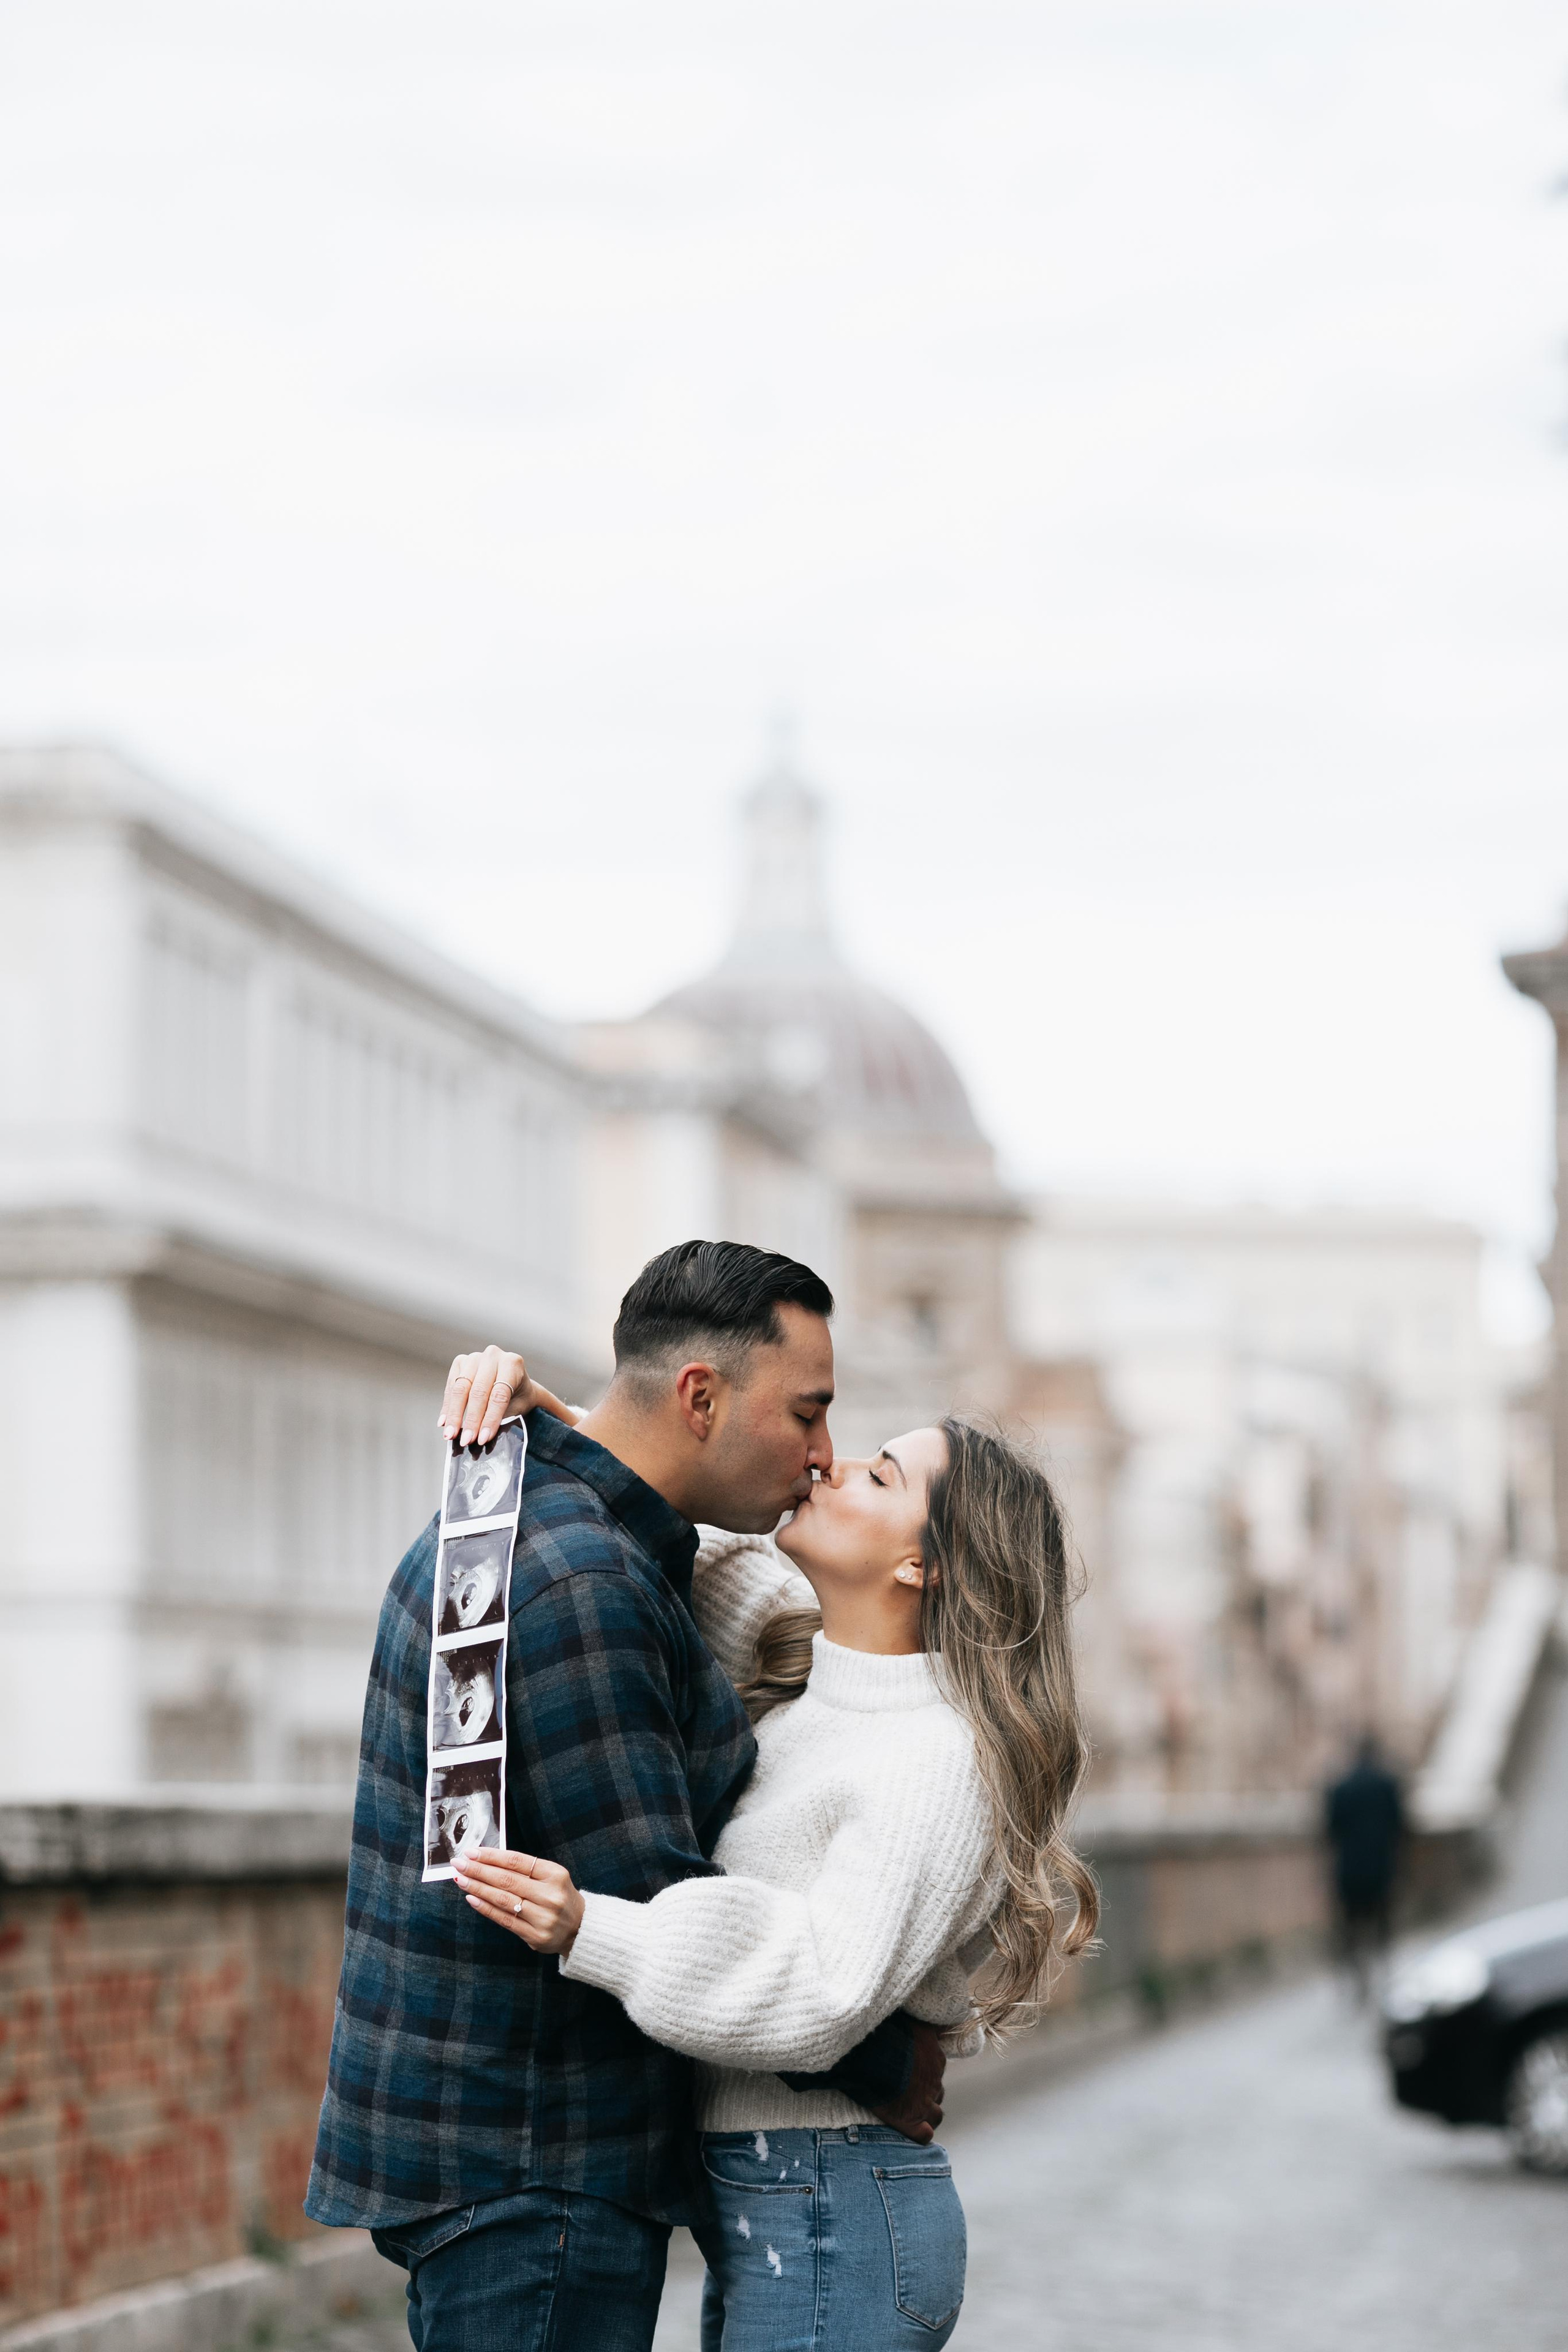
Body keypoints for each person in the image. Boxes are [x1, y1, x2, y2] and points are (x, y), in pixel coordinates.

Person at [305, 1241, 947, 2352]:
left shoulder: (539, 1527)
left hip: (497, 2157)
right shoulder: (583, 1578)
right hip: (541, 2164)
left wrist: (555, 1421)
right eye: (807, 1413)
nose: (822, 1453)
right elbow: (658, 1908)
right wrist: (890, 2067)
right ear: (700, 1398)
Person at [448, 1362, 1098, 2351]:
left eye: (880, 1476)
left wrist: (593, 1931)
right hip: (786, 2202)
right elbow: (685, 1533)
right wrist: (568, 1419)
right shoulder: (804, 1663)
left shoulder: (934, 1759)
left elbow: (822, 1992)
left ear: (921, 1567)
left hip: (832, 2210)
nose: (833, 1467)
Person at [1324, 1732, 1405, 2000]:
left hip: (1349, 1870)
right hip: (1381, 1867)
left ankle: (1359, 1977)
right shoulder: (1387, 1784)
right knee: (1382, 1923)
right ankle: (1385, 1975)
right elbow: (1399, 1825)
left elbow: (1331, 1830)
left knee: (1352, 1926)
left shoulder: (1341, 1788)